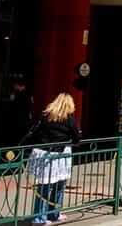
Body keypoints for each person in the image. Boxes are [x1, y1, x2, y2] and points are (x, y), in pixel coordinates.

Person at [24, 93, 80, 225]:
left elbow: (36, 132)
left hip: (43, 154)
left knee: (44, 187)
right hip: (59, 156)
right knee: (59, 185)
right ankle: (53, 214)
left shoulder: (46, 116)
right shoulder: (69, 119)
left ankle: (40, 217)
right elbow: (77, 138)